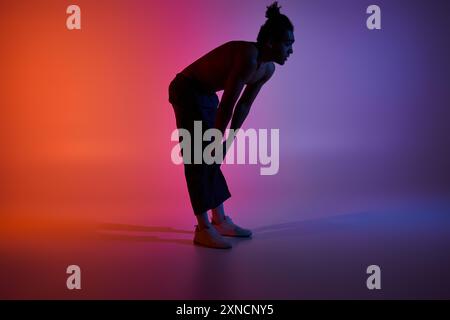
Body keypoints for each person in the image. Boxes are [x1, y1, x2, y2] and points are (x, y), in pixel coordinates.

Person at [168, 2, 294, 249]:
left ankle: (219, 220)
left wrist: (228, 142)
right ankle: (203, 228)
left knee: (210, 156)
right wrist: (217, 142)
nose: (291, 50)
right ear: (270, 42)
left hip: (205, 94)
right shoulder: (248, 56)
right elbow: (228, 105)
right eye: (287, 43)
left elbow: (244, 106)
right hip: (185, 89)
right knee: (198, 156)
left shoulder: (267, 69)